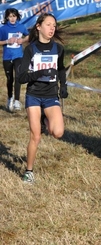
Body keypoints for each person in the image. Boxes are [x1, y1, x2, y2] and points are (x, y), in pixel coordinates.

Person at [18, 13, 69, 184]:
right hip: (34, 95)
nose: (52, 28)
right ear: (39, 27)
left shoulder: (59, 49)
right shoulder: (30, 49)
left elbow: (61, 69)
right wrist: (40, 73)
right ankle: (29, 171)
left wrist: (64, 86)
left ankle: (44, 117)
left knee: (58, 133)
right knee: (36, 136)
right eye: (48, 25)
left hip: (50, 96)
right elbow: (21, 77)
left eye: (54, 25)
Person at [0, 8, 29, 112]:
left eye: (14, 16)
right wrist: (7, 41)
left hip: (18, 56)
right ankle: (9, 98)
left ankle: (17, 100)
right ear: (7, 17)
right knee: (9, 79)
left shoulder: (21, 27)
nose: (12, 19)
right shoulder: (3, 29)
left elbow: (29, 36)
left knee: (18, 76)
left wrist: (23, 40)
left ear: (17, 17)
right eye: (10, 16)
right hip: (7, 57)